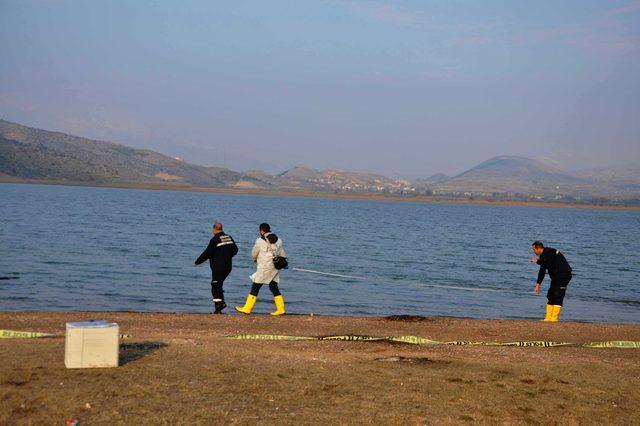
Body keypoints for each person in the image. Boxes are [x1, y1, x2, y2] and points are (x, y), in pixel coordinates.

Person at [235, 223, 287, 316]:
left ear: (261, 231)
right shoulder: (279, 240)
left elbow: (254, 253)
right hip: (275, 268)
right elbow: (282, 254)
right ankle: (281, 309)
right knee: (274, 287)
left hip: (264, 268)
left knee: (255, 286)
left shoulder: (259, 240)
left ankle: (247, 308)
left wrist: (254, 261)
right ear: (269, 230)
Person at [194, 222, 238, 314]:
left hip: (218, 267)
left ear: (214, 229)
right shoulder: (229, 237)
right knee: (218, 285)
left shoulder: (214, 240)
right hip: (228, 267)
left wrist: (197, 262)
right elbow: (235, 250)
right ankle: (219, 307)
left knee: (215, 286)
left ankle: (220, 305)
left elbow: (207, 253)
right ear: (222, 228)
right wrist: (227, 257)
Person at [530, 241, 572, 322]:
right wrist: (538, 284)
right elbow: (542, 271)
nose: (533, 251)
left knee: (558, 295)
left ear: (538, 248)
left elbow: (547, 260)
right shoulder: (543, 257)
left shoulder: (550, 251)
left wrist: (537, 261)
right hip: (555, 277)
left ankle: (554, 319)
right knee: (550, 295)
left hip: (564, 275)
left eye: (534, 249)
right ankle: (548, 318)